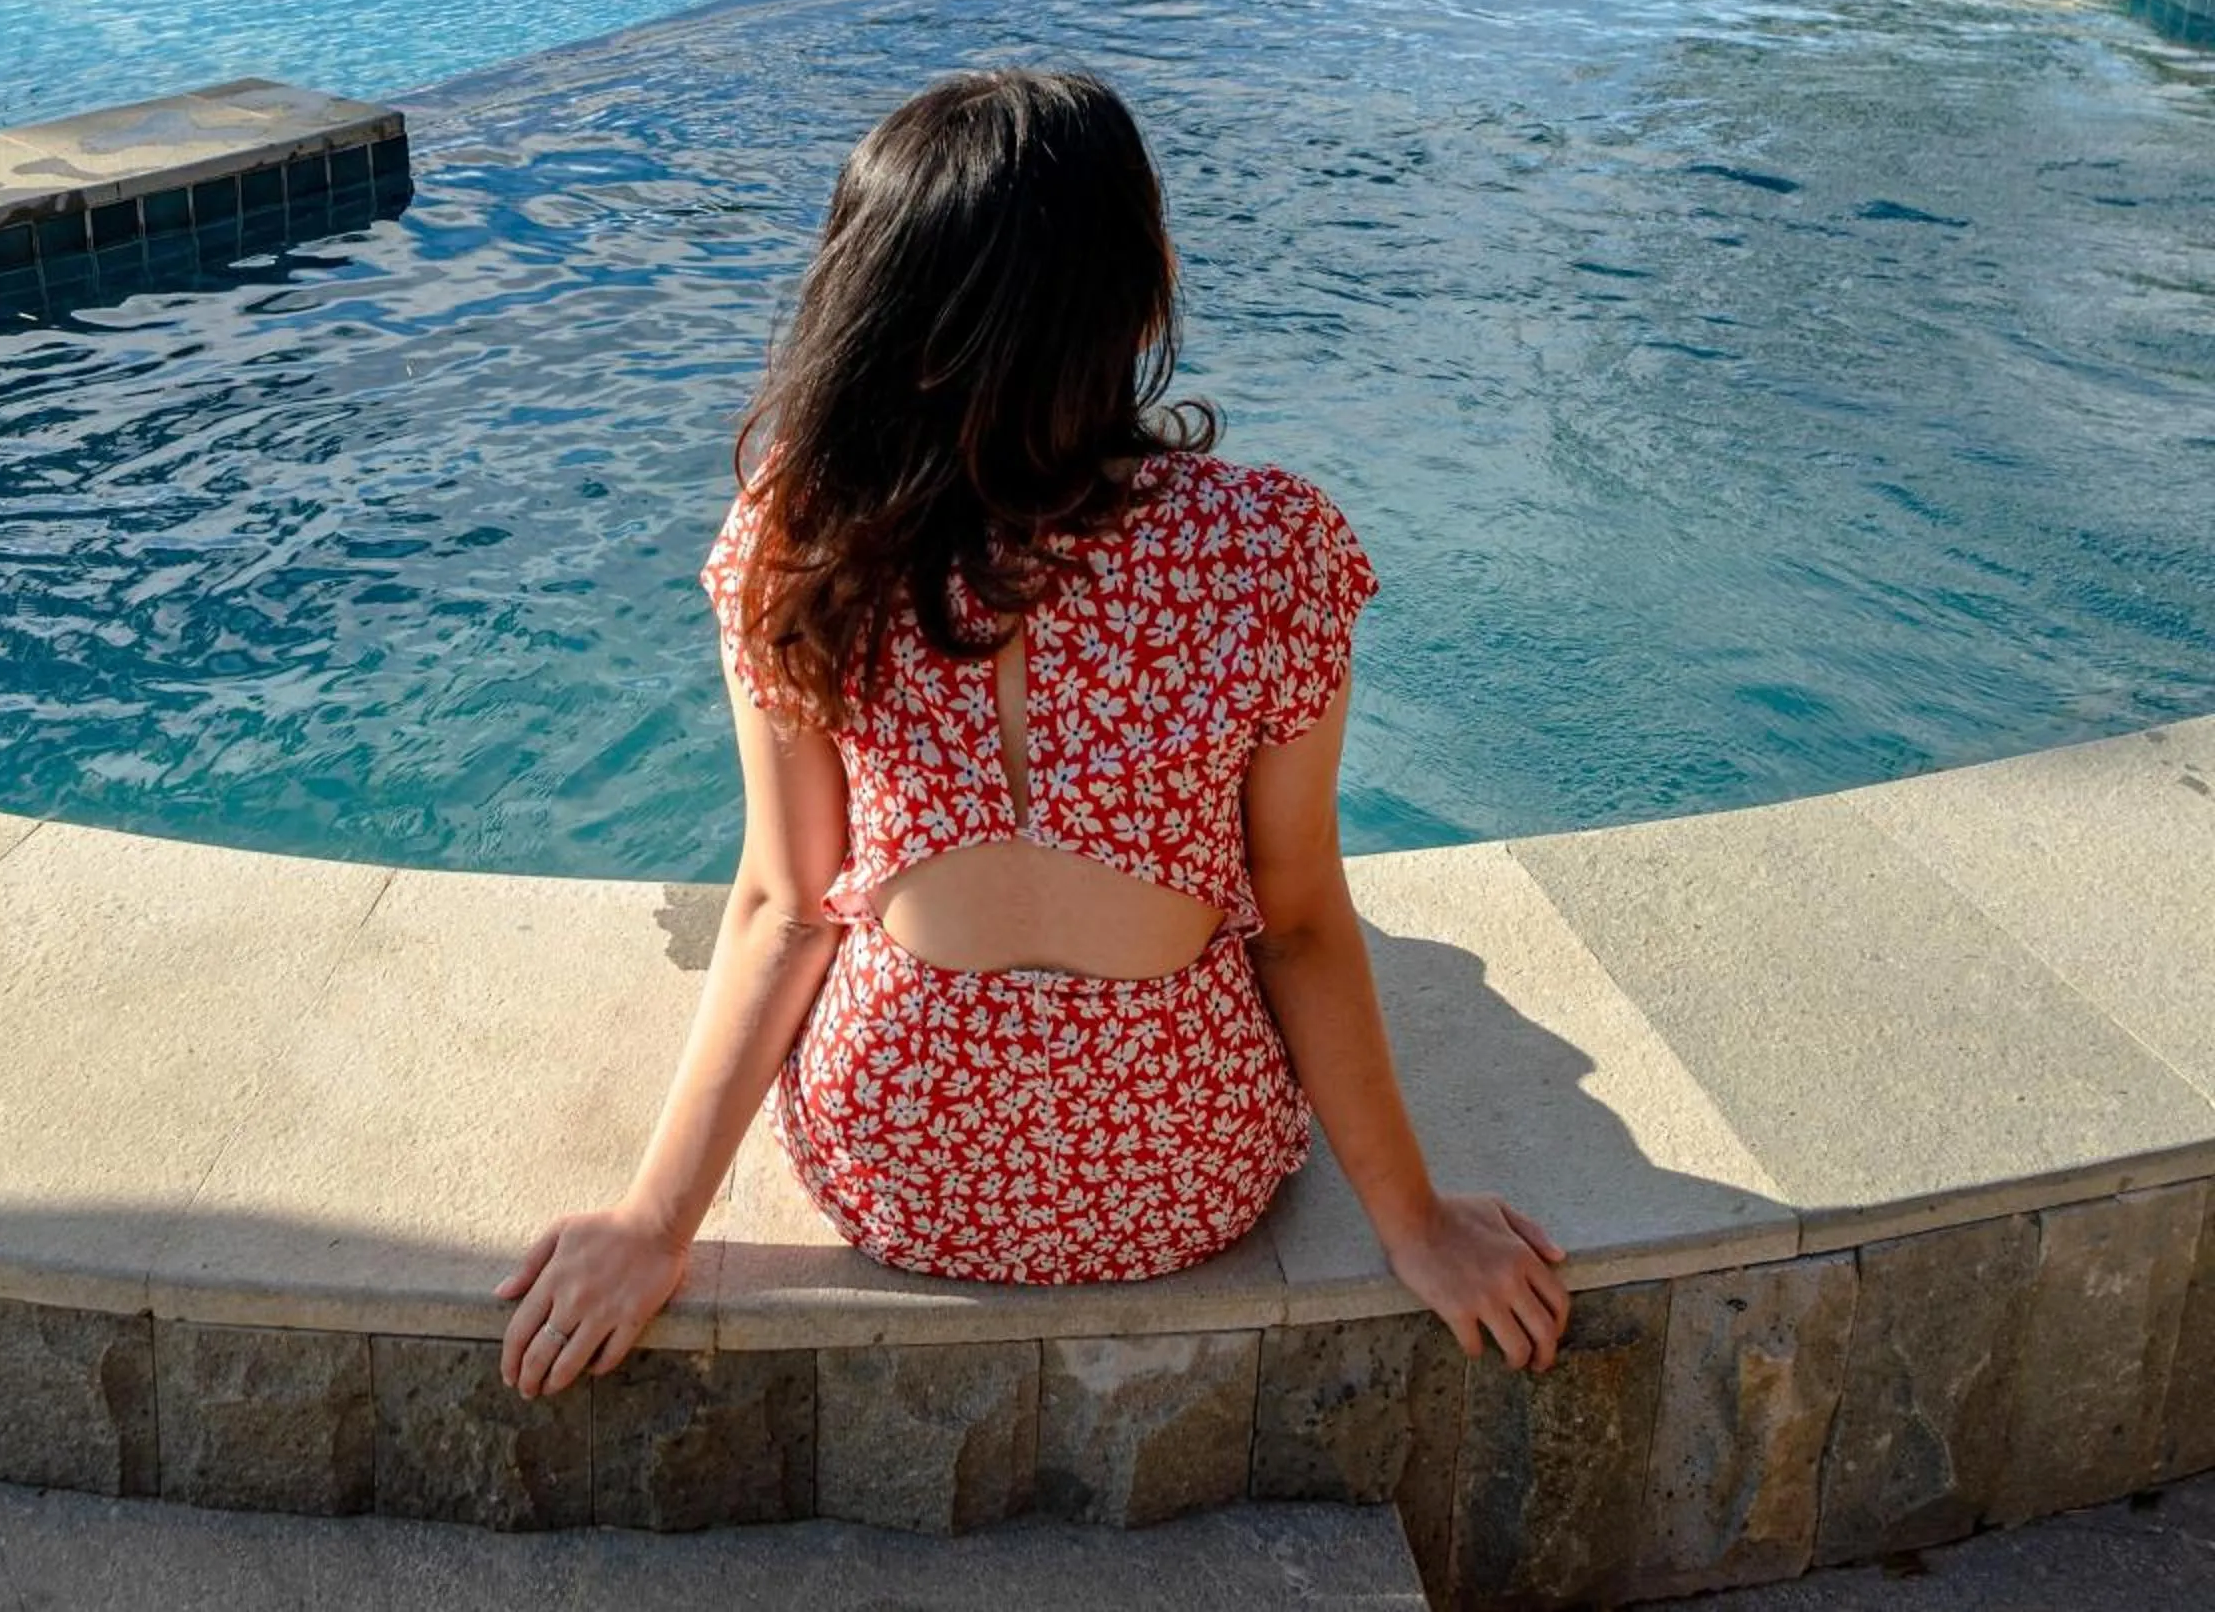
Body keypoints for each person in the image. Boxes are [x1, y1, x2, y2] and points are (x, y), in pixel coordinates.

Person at [497, 68, 1568, 1396]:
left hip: (900, 1171)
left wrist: (654, 1226)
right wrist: (1415, 1224)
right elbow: (1295, 920)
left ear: (868, 306)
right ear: (1152, 284)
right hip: (1185, 1181)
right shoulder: (1268, 548)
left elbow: (784, 905)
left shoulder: (805, 536)